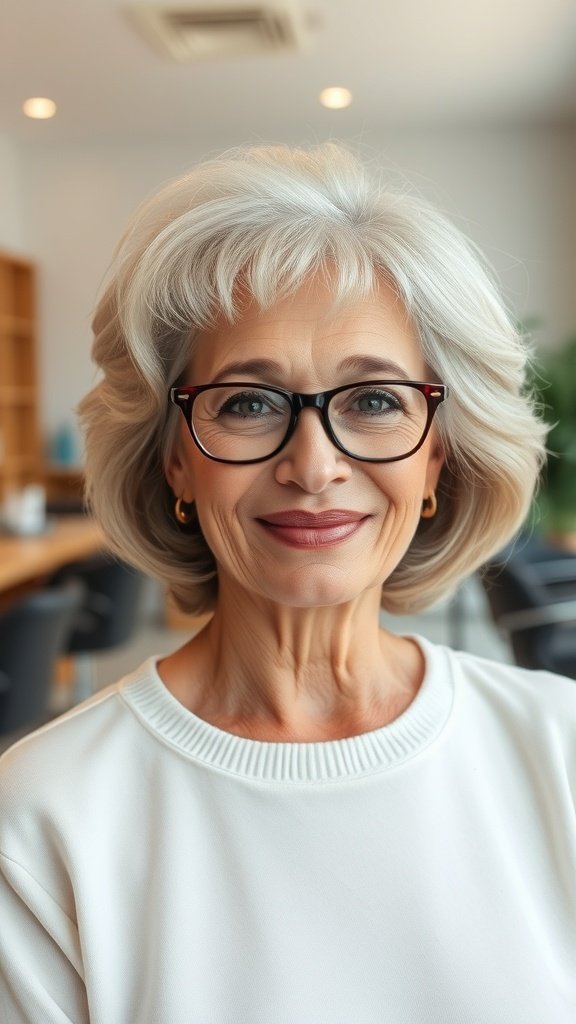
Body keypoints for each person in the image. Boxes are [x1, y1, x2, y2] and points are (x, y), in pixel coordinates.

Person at [0, 142, 574, 1024]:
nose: (313, 466)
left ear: (438, 458)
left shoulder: (561, 752)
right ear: (175, 461)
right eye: (248, 402)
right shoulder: (43, 814)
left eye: (375, 401)